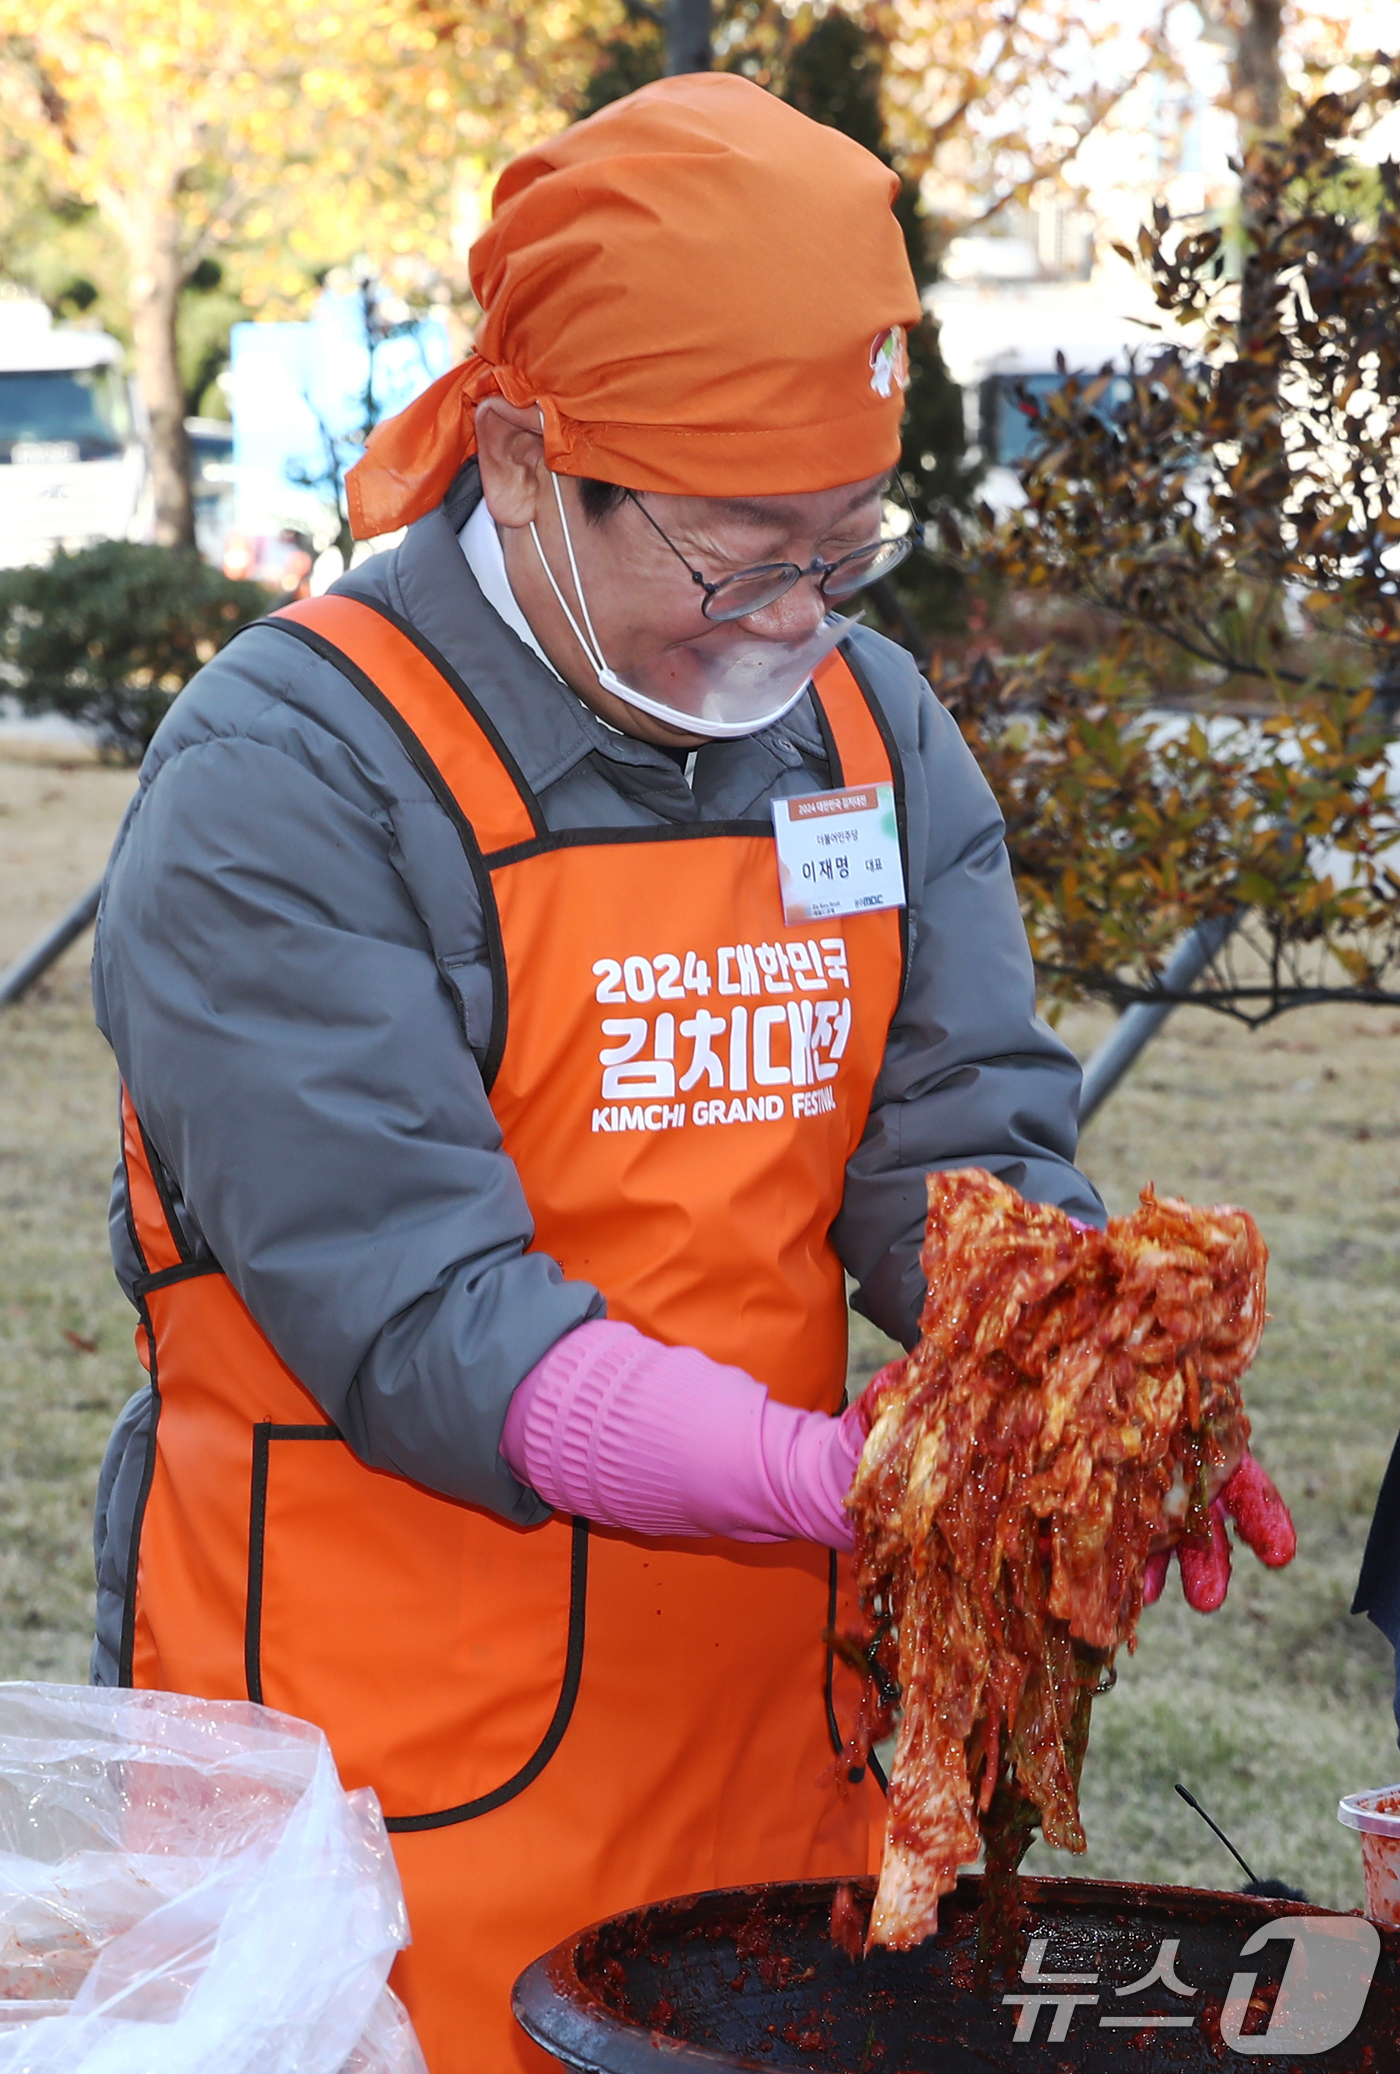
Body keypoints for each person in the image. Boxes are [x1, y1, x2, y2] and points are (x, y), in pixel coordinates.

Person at [87, 73, 1280, 2074]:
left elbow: (961, 1127)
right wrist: (827, 1472)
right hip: (376, 1783)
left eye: (851, 547)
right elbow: (414, 1302)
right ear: (531, 459)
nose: (804, 617)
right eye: (742, 561)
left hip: (767, 1739)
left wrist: (1071, 1374)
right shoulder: (290, 776)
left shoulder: (867, 728)